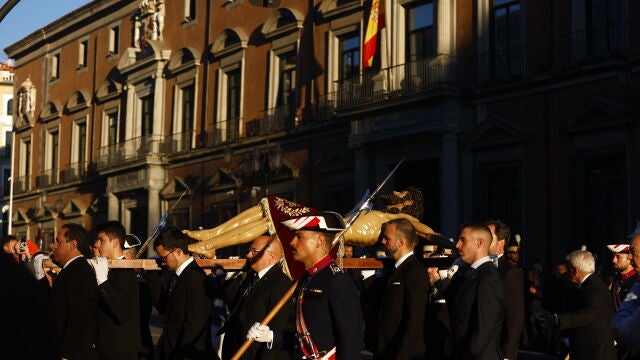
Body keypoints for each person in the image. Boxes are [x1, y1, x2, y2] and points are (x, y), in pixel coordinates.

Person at [258, 211, 363, 359]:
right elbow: (304, 335)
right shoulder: (305, 279)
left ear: (319, 241)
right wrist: (273, 336)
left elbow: (351, 338)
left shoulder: (336, 280)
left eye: (299, 236)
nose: (292, 242)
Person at [222, 235, 293, 359]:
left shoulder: (279, 283)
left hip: (254, 354)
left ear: (271, 256)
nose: (248, 255)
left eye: (254, 252)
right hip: (236, 349)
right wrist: (231, 278)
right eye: (249, 250)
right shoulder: (252, 276)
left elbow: (279, 326)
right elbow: (235, 305)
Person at [151, 226, 217, 360]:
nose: (162, 263)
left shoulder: (195, 278)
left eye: (164, 258)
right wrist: (153, 276)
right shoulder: (177, 276)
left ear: (178, 251)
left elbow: (195, 326)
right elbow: (164, 308)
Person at [374, 218, 428, 359]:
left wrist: (402, 355)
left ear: (401, 242)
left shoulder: (414, 271)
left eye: (387, 238)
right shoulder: (395, 270)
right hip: (386, 351)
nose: (383, 242)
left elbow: (414, 319)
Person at [549, 250, 616, 360]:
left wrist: (558, 319)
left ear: (574, 270)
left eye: (568, 269)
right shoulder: (585, 285)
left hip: (596, 352)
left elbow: (587, 315)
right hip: (585, 349)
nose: (566, 274)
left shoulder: (595, 288)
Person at [450, 222, 504, 360]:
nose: (457, 245)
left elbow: (483, 330)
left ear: (479, 243)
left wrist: (468, 356)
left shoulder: (487, 278)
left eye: (463, 240)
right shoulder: (472, 273)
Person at [90, 221, 140, 360]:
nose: (98, 245)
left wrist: (103, 282)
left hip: (119, 351)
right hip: (102, 348)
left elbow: (121, 312)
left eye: (102, 240)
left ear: (115, 242)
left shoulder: (125, 271)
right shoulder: (107, 268)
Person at [48, 223, 99, 359]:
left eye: (59, 242)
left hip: (75, 353)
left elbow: (78, 317)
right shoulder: (71, 269)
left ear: (73, 244)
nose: (53, 246)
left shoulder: (79, 271)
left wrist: (66, 355)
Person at [486, 220, 525, 360]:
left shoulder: (509, 272)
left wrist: (508, 354)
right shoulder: (476, 267)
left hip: (497, 350)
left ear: (501, 242)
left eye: (488, 236)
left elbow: (515, 316)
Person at [607, 243, 638, 309]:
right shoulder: (616, 280)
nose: (614, 260)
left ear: (630, 258)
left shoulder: (637, 280)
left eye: (618, 257)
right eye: (614, 256)